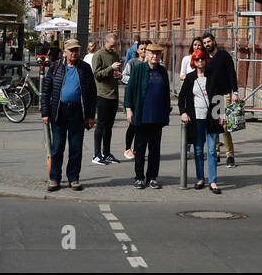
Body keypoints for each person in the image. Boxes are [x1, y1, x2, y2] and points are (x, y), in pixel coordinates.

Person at [40, 38, 97, 191]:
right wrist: (45, 113)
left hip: (78, 112)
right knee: (57, 147)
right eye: (71, 50)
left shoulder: (85, 68)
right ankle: (54, 178)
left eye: (76, 50)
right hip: (58, 112)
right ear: (64, 52)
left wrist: (91, 116)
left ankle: (73, 178)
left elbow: (92, 93)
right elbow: (46, 92)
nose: (74, 53)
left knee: (76, 148)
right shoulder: (55, 67)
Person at [122, 43, 170, 189]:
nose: (155, 56)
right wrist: (129, 110)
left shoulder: (162, 71)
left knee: (155, 150)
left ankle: (152, 177)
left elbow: (166, 93)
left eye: (157, 53)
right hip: (142, 116)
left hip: (157, 117)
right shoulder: (139, 69)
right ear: (147, 54)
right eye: (152, 53)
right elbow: (129, 90)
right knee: (140, 148)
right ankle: (139, 177)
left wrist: (166, 112)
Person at [179, 51, 224, 194]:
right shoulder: (190, 78)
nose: (200, 62)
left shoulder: (213, 77)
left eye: (202, 59)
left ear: (206, 61)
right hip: (195, 118)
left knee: (211, 151)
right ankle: (200, 178)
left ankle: (213, 181)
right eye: (197, 59)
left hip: (211, 119)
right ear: (193, 61)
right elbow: (181, 97)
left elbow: (218, 96)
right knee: (198, 151)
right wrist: (183, 112)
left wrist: (221, 113)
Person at [203, 32, 239, 167]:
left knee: (225, 126)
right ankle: (216, 154)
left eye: (208, 42)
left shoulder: (224, 55)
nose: (207, 44)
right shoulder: (204, 58)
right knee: (214, 125)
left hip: (225, 94)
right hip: (212, 96)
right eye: (205, 43)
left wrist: (235, 92)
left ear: (213, 41)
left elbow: (231, 73)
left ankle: (230, 156)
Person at [90, 33, 122, 165]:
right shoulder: (98, 55)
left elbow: (113, 73)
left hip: (114, 94)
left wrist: (118, 75)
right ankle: (96, 154)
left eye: (115, 45)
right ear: (105, 42)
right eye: (112, 45)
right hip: (102, 94)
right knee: (101, 125)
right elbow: (96, 75)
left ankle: (107, 153)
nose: (114, 48)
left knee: (109, 126)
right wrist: (111, 68)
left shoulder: (115, 55)